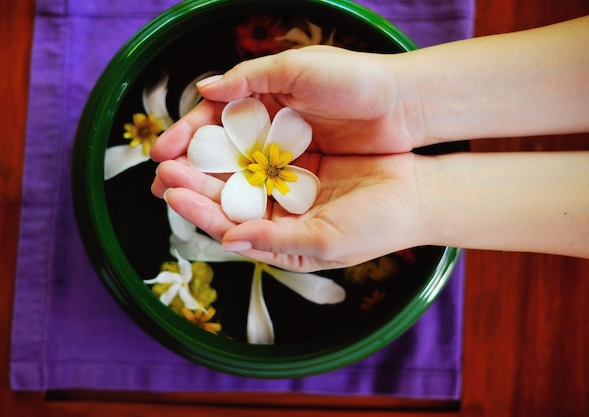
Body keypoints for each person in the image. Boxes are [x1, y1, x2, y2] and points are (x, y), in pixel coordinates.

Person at [150, 16, 589, 272]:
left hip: (267, 167)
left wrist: (405, 105)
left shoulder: (282, 142)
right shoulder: (268, 136)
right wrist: (402, 99)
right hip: (261, 165)